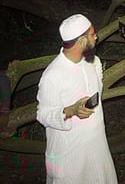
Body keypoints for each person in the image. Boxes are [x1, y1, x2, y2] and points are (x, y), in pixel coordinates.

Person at [36, 14, 117, 183]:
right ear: (80, 41)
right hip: (68, 153)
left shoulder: (93, 62)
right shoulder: (53, 75)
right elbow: (42, 115)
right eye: (92, 34)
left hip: (97, 145)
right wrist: (70, 110)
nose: (96, 37)